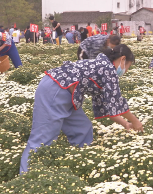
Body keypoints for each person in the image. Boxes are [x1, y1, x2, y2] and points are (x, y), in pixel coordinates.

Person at [19, 44, 143, 174]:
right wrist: (135, 122)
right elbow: (117, 102)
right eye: (128, 66)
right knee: (42, 138)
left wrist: (125, 124)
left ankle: (80, 163)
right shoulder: (108, 70)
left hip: (68, 94)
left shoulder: (103, 68)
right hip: (55, 89)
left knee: (82, 128)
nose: (126, 71)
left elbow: (109, 107)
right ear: (123, 59)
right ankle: (26, 176)